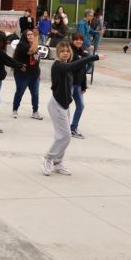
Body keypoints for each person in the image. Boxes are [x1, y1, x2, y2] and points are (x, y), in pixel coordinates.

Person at [43, 42, 101, 176]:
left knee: (61, 136)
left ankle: (58, 162)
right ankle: (48, 158)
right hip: (56, 105)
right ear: (57, 53)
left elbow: (77, 69)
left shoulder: (67, 67)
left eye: (67, 51)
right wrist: (94, 57)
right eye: (62, 51)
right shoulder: (58, 66)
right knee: (66, 136)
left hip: (64, 105)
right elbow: (74, 65)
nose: (65, 53)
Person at [12, 29, 43, 120]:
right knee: (20, 92)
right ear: (24, 36)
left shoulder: (34, 45)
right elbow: (31, 51)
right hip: (22, 74)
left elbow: (37, 60)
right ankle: (15, 109)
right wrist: (37, 36)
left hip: (34, 74)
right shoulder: (22, 45)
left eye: (32, 34)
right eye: (28, 34)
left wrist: (38, 73)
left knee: (35, 94)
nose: (31, 36)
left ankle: (35, 111)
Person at [68, 33, 89, 139]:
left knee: (80, 106)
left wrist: (84, 85)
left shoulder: (82, 52)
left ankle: (73, 128)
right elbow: (74, 65)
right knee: (65, 106)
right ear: (72, 40)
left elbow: (83, 70)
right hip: (70, 84)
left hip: (78, 84)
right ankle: (65, 128)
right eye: (76, 40)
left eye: (80, 40)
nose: (79, 42)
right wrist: (84, 57)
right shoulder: (69, 51)